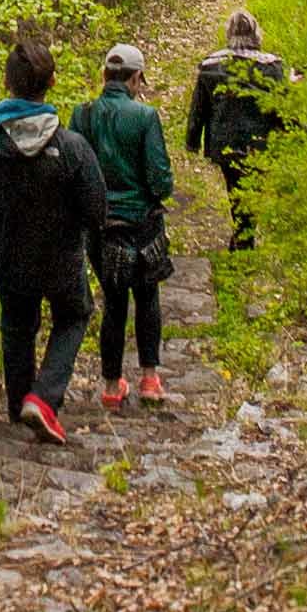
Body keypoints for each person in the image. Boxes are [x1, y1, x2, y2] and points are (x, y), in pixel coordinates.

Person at [0, 29, 106, 446]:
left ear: (7, 83)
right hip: (62, 259)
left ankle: (20, 404)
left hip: (6, 255)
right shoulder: (72, 147)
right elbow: (96, 213)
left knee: (17, 324)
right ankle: (44, 397)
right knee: (73, 315)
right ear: (51, 82)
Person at [72, 42, 176, 411]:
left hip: (100, 227)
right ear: (135, 78)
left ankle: (112, 385)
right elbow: (161, 179)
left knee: (114, 302)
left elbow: (75, 173)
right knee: (147, 296)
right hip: (141, 224)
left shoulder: (80, 116)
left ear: (104, 76)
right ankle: (149, 378)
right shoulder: (145, 117)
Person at [186, 9, 293, 251]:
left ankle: (243, 237)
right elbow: (281, 106)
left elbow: (199, 107)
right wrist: (292, 132)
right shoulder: (273, 66)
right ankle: (244, 237)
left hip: (224, 141)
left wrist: (192, 139)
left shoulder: (211, 66)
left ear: (229, 33)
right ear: (256, 34)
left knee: (235, 185)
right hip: (259, 142)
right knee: (249, 187)